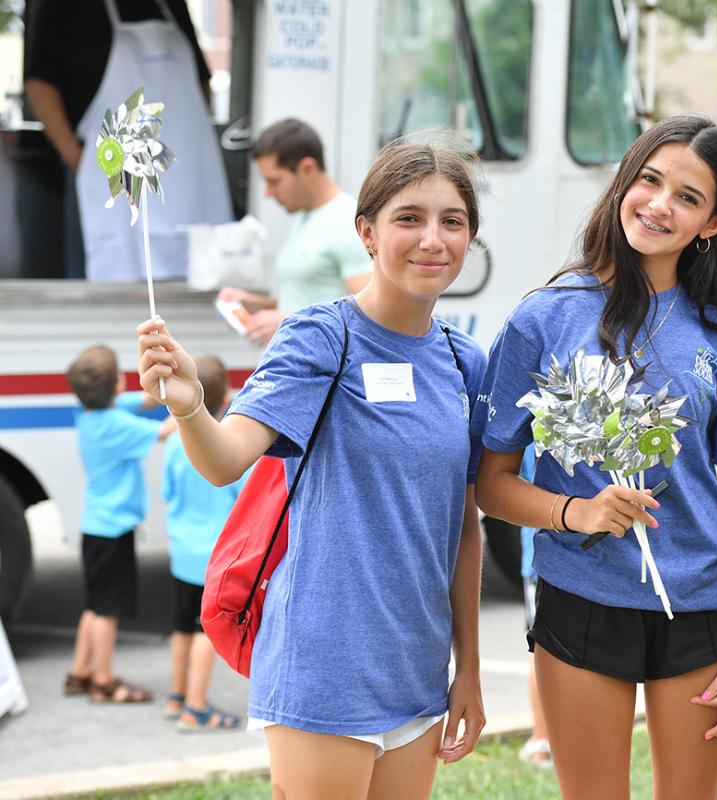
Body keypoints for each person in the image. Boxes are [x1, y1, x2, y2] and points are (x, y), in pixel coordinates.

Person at [136, 139, 487, 798]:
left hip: (416, 669)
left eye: (452, 221)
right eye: (409, 218)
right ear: (367, 232)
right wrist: (189, 408)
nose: (432, 239)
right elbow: (226, 459)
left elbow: (463, 527)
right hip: (321, 663)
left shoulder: (468, 362)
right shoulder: (321, 336)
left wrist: (467, 669)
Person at [474, 115, 717, 800]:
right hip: (582, 599)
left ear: (715, 223)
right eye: (650, 180)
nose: (660, 204)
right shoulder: (541, 320)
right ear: (623, 184)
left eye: (689, 197)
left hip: (704, 605)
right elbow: (491, 484)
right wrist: (576, 512)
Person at [24, 0, 231, 281]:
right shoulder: (62, 7)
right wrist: (75, 156)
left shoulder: (172, 5)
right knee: (106, 279)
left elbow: (202, 84)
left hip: (184, 178)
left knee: (195, 277)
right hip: (107, 174)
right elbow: (39, 86)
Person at [63, 344, 174, 703]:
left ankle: (79, 673)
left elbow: (139, 402)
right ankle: (104, 681)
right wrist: (197, 403)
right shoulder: (115, 424)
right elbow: (163, 431)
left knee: (94, 605)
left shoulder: (89, 413)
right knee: (108, 612)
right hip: (113, 532)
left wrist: (158, 391)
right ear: (117, 384)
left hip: (94, 528)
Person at [218, 118, 372, 345]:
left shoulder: (347, 222)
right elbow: (310, 299)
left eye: (274, 181)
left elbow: (371, 311)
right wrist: (255, 304)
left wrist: (290, 322)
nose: (268, 193)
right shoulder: (309, 218)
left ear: (307, 168)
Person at [161, 355, 245, 731]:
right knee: (204, 632)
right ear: (226, 398)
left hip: (181, 550)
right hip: (211, 556)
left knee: (180, 627)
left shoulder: (173, 443)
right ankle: (195, 707)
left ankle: (176, 694)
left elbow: (167, 493)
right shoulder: (226, 448)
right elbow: (241, 500)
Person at [515, 447, 552, 769]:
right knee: (542, 651)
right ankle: (541, 739)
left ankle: (544, 738)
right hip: (541, 559)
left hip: (547, 557)